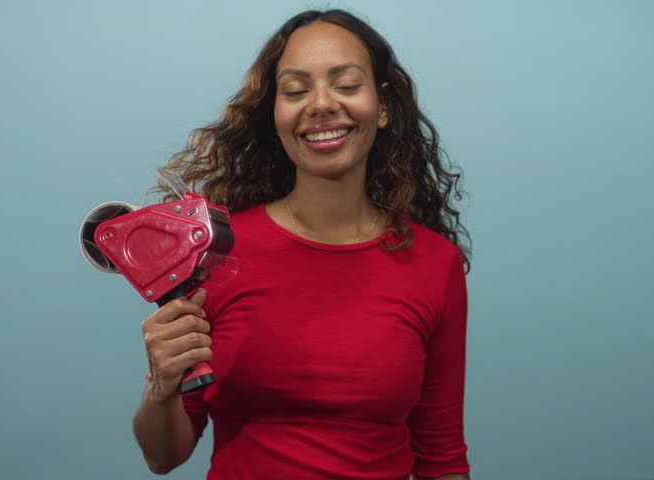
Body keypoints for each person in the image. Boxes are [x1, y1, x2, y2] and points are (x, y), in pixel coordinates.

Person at [132, 9, 472, 480]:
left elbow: (442, 457)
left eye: (347, 85)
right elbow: (163, 456)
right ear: (276, 114)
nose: (321, 104)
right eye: (295, 91)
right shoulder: (215, 251)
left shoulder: (435, 263)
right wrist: (161, 387)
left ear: (384, 106)